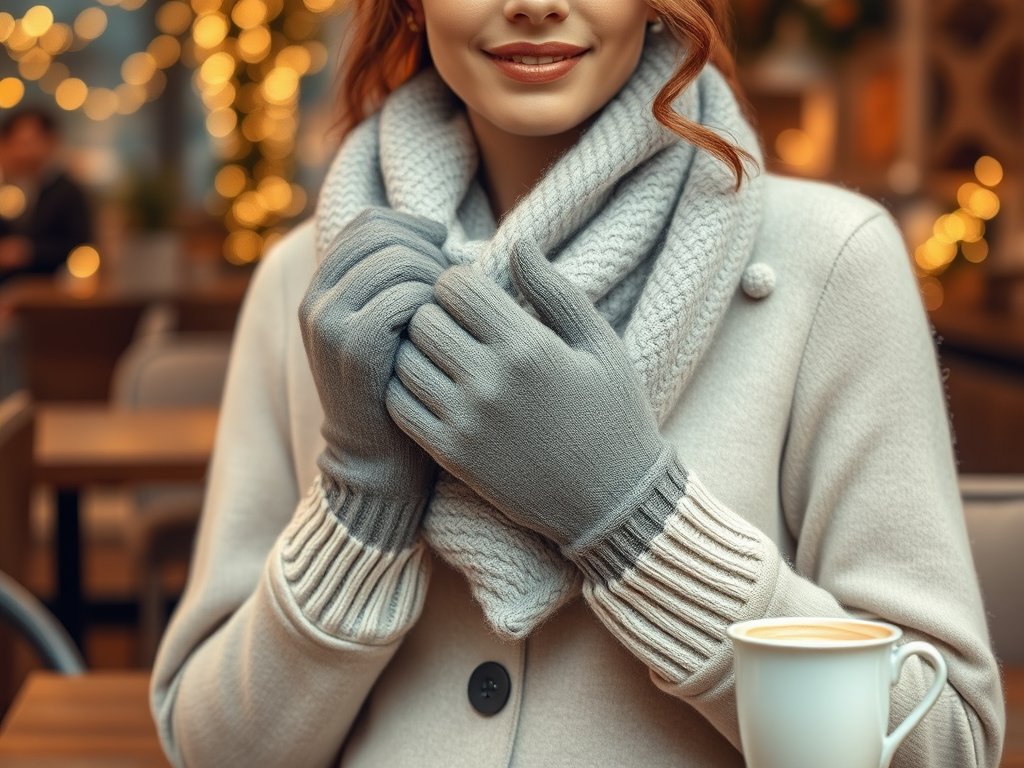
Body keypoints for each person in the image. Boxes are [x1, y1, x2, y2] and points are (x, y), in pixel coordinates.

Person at [151, 1, 1005, 766]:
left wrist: (633, 514)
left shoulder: (834, 257)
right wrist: (362, 505)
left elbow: (944, 741)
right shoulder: (309, 283)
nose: (535, 6)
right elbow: (209, 746)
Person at [0, 108, 93, 285]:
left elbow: (82, 246)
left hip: (53, 295)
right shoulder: (7, 189)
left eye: (29, 142)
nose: (22, 152)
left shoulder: (68, 192)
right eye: (15, 143)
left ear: (51, 142)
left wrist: (29, 252)